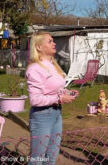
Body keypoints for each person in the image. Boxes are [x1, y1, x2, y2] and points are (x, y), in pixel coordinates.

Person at [26, 31, 78, 165]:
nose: (54, 43)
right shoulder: (35, 68)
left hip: (56, 114)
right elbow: (35, 99)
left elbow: (53, 89)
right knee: (38, 159)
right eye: (50, 41)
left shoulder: (53, 65)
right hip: (42, 116)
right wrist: (60, 99)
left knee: (52, 156)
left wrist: (66, 92)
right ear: (38, 47)